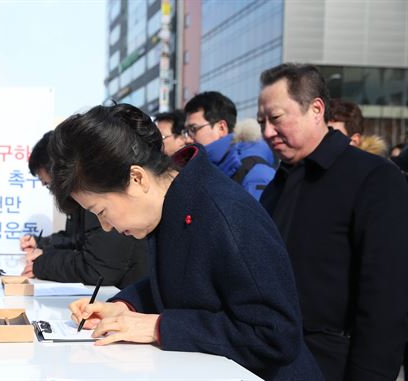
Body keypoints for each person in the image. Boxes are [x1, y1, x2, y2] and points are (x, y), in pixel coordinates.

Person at [49, 104, 323, 380]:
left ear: (136, 178)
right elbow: (181, 279)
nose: (106, 227)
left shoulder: (225, 215)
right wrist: (124, 307)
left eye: (102, 212)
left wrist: (159, 327)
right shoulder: (173, 204)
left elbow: (274, 334)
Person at [257, 63, 408, 381]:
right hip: (272, 360)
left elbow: (387, 297)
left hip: (334, 366)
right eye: (262, 122)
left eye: (276, 118)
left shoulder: (374, 178)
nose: (267, 132)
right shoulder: (277, 184)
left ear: (315, 109)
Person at [20, 131, 148, 289]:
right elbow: (77, 239)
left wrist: (43, 264)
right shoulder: (83, 198)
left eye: (48, 184)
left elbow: (99, 267)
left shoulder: (97, 191)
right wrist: (42, 245)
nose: (107, 224)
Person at [183, 91, 275, 200]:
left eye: (193, 129)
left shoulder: (254, 174)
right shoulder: (209, 167)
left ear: (221, 128)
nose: (187, 139)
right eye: (186, 131)